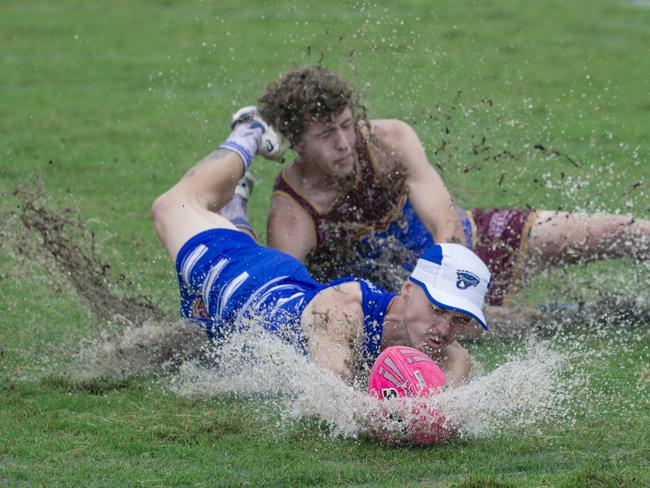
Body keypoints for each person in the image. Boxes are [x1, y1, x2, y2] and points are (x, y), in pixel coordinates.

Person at [259, 66, 650, 306]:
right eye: (327, 134)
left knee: (618, 232)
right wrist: (429, 311)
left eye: (346, 124)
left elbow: (447, 227)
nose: (345, 142)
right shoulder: (292, 213)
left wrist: (451, 286)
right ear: (296, 142)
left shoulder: (387, 141)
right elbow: (294, 301)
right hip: (410, 308)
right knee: (536, 324)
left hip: (471, 246)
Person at [151, 115, 492, 387]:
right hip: (239, 285)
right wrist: (402, 415)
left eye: (459, 319)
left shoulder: (451, 357)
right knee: (173, 205)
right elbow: (332, 398)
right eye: (437, 308)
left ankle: (236, 204)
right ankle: (249, 132)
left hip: (289, 285)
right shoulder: (343, 310)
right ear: (408, 289)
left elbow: (450, 405)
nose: (444, 331)